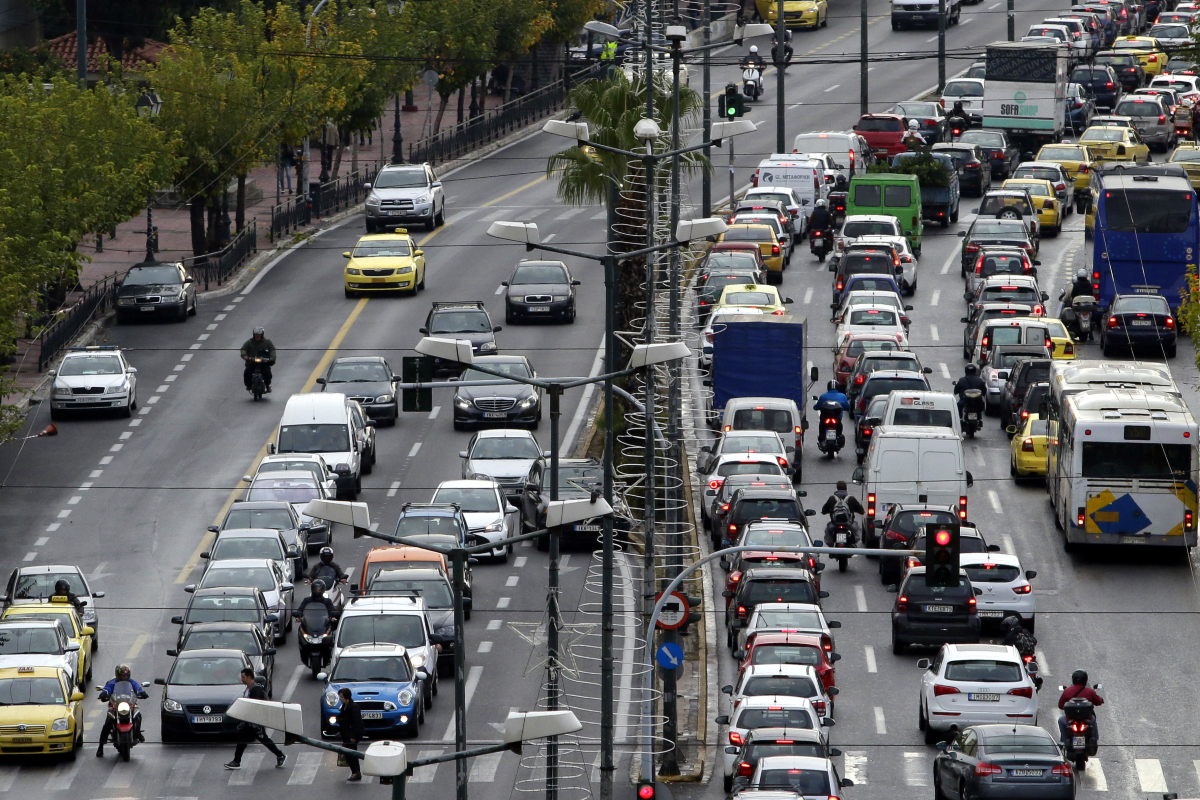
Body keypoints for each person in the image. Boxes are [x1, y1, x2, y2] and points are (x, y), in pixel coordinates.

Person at [225, 668, 287, 770]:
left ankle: (280, 755)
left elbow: (256, 706)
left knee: (264, 739)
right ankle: (236, 761)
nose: (241, 679)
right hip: (249, 721)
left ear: (249, 677)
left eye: (243, 677)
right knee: (242, 739)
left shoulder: (256, 690)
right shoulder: (248, 689)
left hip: (255, 722)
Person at [96, 665, 147, 756]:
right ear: (118, 675)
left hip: (129, 705)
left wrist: (142, 692)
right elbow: (107, 689)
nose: (125, 678)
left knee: (138, 715)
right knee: (108, 722)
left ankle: (138, 732)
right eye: (123, 676)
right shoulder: (112, 683)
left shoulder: (131, 682)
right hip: (116, 706)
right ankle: (101, 746)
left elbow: (137, 687)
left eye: (126, 676)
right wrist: (104, 694)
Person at [1057, 669, 1104, 743]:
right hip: (1087, 720)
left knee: (1061, 720)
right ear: (1085, 679)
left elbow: (1060, 705)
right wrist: (1101, 700)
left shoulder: (1067, 691)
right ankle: (1095, 739)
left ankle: (1064, 740)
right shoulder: (1089, 691)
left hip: (1070, 720)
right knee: (1093, 719)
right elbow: (1098, 702)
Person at [337, 687, 365, 781]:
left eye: (341, 697)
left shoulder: (354, 707)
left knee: (351, 754)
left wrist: (353, 736)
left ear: (346, 697)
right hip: (346, 734)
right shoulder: (345, 706)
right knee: (350, 754)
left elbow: (357, 723)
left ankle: (356, 772)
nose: (340, 699)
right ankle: (356, 772)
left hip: (351, 735)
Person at [240, 327, 277, 393]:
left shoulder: (267, 342)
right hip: (252, 361)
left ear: (262, 335)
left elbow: (272, 350)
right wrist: (245, 356)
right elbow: (243, 349)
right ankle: (248, 385)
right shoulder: (249, 342)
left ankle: (267, 385)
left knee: (267, 372)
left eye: (259, 335)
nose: (257, 337)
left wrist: (272, 358)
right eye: (256, 335)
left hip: (264, 362)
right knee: (247, 371)